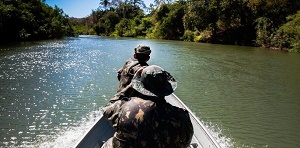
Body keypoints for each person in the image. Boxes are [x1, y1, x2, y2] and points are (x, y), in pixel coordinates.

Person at [102, 65, 193, 148]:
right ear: (166, 88)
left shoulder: (123, 107)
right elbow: (186, 142)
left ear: (139, 86)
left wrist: (130, 86)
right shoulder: (181, 116)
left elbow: (107, 108)